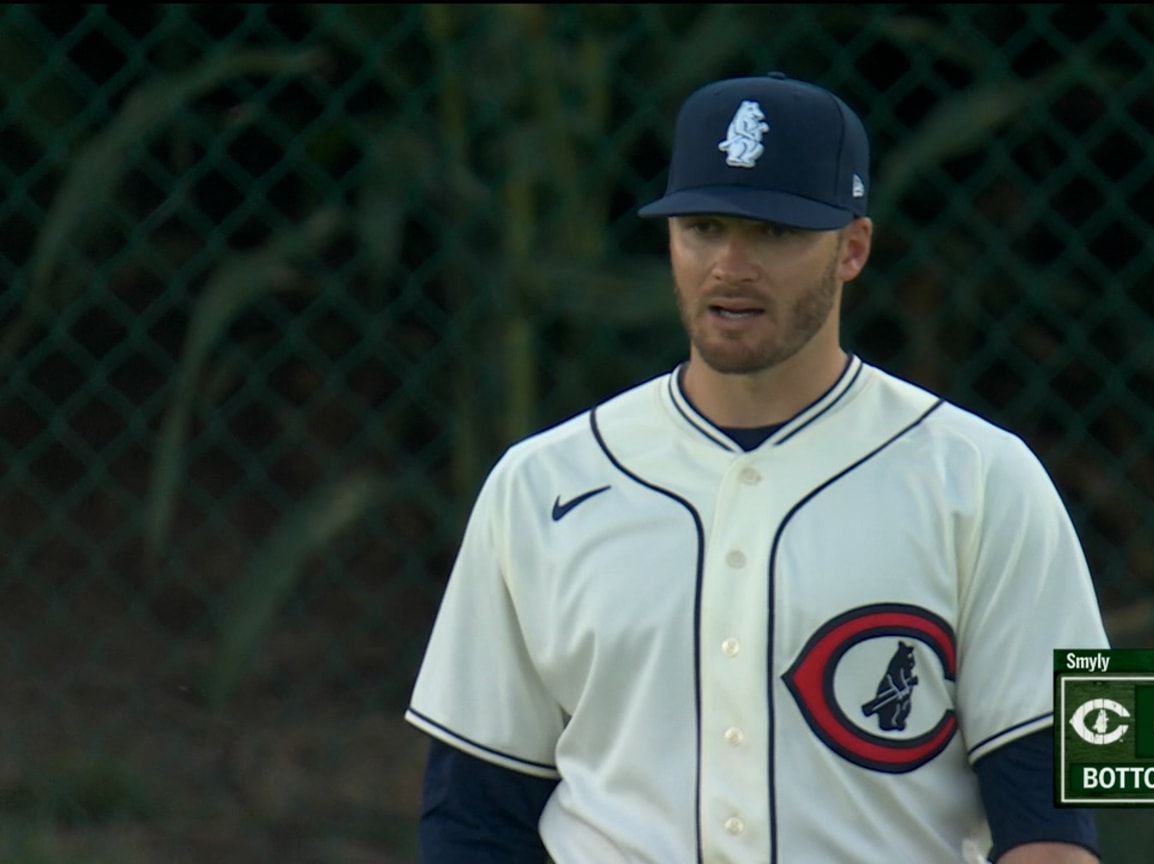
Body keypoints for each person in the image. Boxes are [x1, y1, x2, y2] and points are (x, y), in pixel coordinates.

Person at [406, 72, 1110, 864]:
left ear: (852, 249)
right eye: (703, 226)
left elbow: (1048, 820)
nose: (730, 265)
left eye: (774, 233)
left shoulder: (979, 480)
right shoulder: (541, 485)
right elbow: (474, 818)